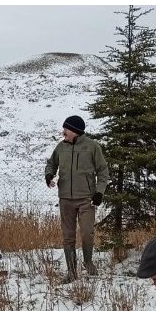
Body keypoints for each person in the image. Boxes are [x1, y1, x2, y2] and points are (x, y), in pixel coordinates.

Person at [44, 115, 108, 283]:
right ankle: (72, 273)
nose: (63, 132)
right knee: (68, 237)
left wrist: (99, 192)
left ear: (75, 131)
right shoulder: (61, 147)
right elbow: (51, 164)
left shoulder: (92, 147)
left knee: (87, 232)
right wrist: (49, 175)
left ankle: (88, 262)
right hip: (65, 199)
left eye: (66, 129)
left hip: (86, 199)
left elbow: (103, 172)